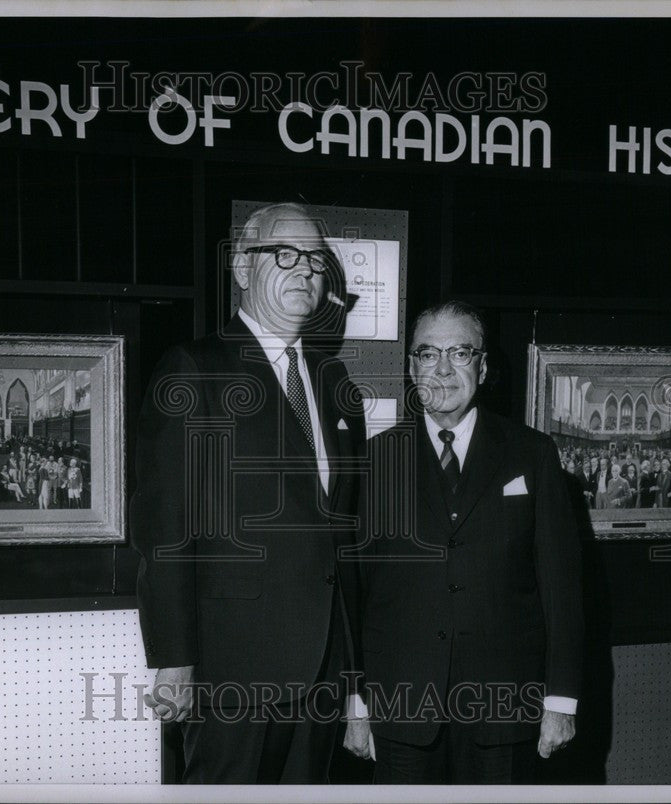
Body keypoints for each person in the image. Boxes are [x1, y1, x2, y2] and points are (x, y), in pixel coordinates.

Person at [132, 202, 366, 784]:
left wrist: (355, 674)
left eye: (315, 260)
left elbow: (344, 539)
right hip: (230, 667)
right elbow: (164, 526)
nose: (304, 271)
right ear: (241, 267)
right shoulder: (194, 370)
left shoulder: (337, 388)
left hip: (321, 670)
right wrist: (174, 660)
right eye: (284, 255)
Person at [344, 300, 582, 784]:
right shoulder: (373, 462)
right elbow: (353, 596)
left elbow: (562, 587)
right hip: (402, 711)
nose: (444, 369)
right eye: (429, 354)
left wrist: (560, 700)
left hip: (506, 711)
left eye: (461, 353)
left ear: (484, 365)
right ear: (411, 367)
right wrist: (356, 700)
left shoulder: (532, 454)